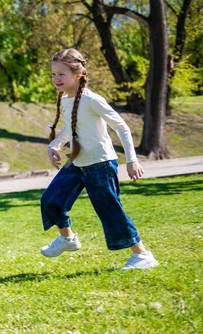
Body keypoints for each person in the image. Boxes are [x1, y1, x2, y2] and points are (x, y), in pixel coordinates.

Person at [40, 48, 158, 270]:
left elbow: (121, 127)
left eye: (61, 74)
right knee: (50, 200)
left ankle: (142, 255)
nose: (56, 79)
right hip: (77, 163)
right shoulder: (66, 99)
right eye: (53, 74)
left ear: (78, 73)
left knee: (110, 209)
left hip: (100, 164)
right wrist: (54, 145)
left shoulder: (92, 100)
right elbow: (70, 127)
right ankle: (67, 239)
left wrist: (131, 160)